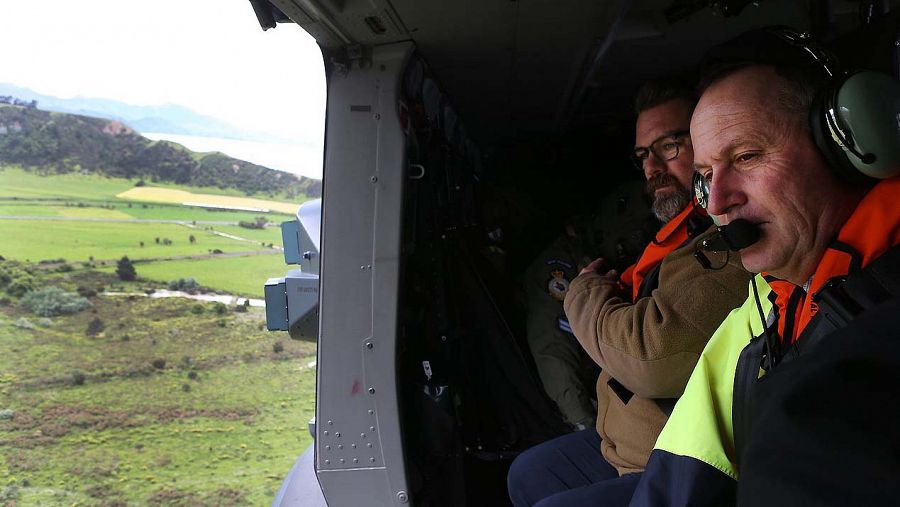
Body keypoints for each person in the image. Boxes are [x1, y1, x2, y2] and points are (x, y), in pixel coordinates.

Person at [628, 27, 900, 507]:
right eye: (706, 176)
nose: (717, 201)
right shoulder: (766, 297)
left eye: (747, 156)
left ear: (846, 148)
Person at [506, 78, 751, 507]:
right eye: (643, 155)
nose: (652, 168)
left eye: (669, 146)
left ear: (710, 142)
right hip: (620, 443)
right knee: (529, 473)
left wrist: (584, 292)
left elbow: (648, 358)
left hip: (673, 455)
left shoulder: (730, 239)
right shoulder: (677, 237)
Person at [523, 179, 656, 430]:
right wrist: (584, 423)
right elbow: (553, 352)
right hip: (588, 403)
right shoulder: (561, 269)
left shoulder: (631, 261)